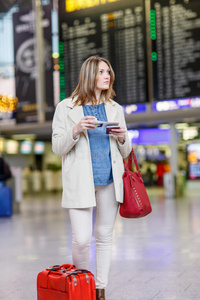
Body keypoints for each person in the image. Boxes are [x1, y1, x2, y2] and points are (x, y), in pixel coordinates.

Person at [52, 55, 132, 300]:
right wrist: (76, 130)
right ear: (89, 75)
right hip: (80, 183)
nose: (107, 76)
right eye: (101, 72)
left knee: (105, 237)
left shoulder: (115, 109)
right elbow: (57, 147)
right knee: (83, 239)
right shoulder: (66, 107)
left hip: (109, 182)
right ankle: (82, 284)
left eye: (108, 71)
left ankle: (100, 289)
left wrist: (121, 137)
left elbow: (126, 151)